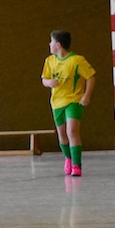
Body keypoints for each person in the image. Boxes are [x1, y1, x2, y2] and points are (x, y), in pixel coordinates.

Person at [41, 30, 95, 177]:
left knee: (72, 131)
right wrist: (49, 82)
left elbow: (90, 77)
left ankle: (77, 165)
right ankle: (68, 158)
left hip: (74, 100)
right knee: (62, 134)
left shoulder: (77, 60)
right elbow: (44, 79)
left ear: (58, 45)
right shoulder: (50, 61)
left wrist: (86, 95)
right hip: (57, 102)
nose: (49, 44)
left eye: (51, 42)